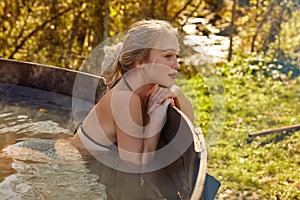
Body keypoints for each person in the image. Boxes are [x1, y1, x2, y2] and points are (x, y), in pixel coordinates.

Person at [71, 19, 194, 166]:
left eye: (176, 56)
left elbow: (189, 124)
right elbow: (135, 164)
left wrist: (176, 92)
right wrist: (154, 122)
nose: (177, 65)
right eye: (168, 56)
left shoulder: (146, 89)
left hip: (89, 164)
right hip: (69, 165)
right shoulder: (125, 98)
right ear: (140, 62)